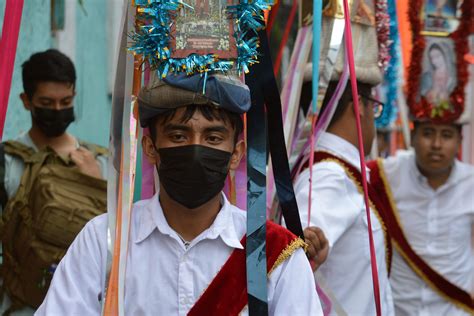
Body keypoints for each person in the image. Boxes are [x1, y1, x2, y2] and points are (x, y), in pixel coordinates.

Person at [36, 73, 324, 315]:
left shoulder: (277, 255)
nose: (196, 150)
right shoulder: (105, 241)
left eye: (213, 138)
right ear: (150, 149)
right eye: (178, 136)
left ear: (236, 154)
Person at [0, 49, 108, 315]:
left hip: (82, 304)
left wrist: (95, 184)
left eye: (66, 101)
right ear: (26, 101)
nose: (58, 110)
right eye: (47, 103)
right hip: (20, 304)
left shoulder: (99, 162)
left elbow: (113, 240)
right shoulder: (7, 161)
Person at [293, 79, 394, 315]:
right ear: (359, 105)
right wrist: (309, 246)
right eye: (375, 107)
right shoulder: (329, 175)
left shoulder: (335, 169)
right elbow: (299, 250)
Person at [368, 121, 474, 315]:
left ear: (460, 140)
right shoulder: (384, 175)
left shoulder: (471, 183)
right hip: (398, 310)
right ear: (413, 136)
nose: (436, 144)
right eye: (428, 133)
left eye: (447, 135)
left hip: (455, 309)